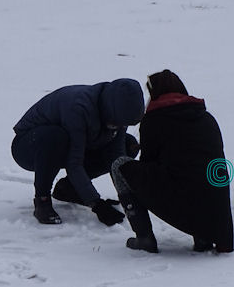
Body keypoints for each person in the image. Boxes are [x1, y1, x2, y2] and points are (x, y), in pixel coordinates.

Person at [109, 70, 234, 254]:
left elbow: (148, 165)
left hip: (181, 199)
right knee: (197, 174)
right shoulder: (206, 117)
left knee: (119, 165)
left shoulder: (154, 119)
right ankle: (203, 236)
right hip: (216, 207)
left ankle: (144, 237)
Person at [11, 78, 144, 225]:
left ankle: (68, 189)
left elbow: (116, 157)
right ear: (110, 109)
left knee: (128, 145)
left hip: (72, 143)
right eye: (118, 123)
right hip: (29, 146)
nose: (119, 126)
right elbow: (74, 162)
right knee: (56, 137)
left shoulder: (118, 111)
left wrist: (127, 197)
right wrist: (96, 204)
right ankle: (42, 201)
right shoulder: (78, 107)